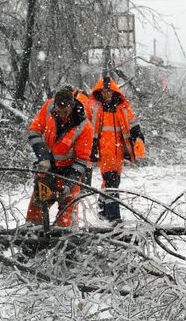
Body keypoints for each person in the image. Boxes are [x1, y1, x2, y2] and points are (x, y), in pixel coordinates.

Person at [25, 87, 95, 228]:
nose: (62, 115)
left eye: (66, 112)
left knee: (66, 221)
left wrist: (69, 185)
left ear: (72, 105)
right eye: (59, 111)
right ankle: (32, 245)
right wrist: (43, 156)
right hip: (47, 170)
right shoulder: (49, 107)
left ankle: (65, 245)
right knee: (35, 216)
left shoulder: (84, 127)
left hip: (69, 173)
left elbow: (81, 160)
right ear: (55, 105)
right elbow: (34, 131)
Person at [87, 76, 145, 224]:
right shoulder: (94, 108)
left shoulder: (122, 108)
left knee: (113, 182)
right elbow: (86, 127)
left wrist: (139, 138)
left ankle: (103, 207)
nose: (107, 94)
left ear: (114, 92)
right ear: (100, 92)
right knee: (111, 182)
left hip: (119, 152)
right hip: (104, 151)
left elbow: (133, 124)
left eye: (109, 91)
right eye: (104, 91)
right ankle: (114, 217)